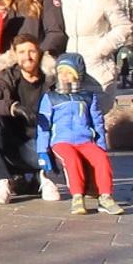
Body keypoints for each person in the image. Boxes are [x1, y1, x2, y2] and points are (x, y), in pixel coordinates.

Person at [0, 34, 58, 205]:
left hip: (42, 143)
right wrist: (12, 107)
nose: (27, 57)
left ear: (40, 53)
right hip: (12, 144)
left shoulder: (51, 78)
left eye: (32, 51)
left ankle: (45, 176)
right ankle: (2, 181)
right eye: (21, 52)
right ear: (14, 54)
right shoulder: (6, 77)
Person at [37, 53, 125, 215]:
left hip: (85, 140)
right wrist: (42, 151)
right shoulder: (51, 98)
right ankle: (77, 196)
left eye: (69, 72)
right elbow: (43, 125)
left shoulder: (88, 97)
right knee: (71, 160)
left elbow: (97, 122)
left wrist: (100, 145)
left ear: (78, 75)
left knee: (101, 158)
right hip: (62, 141)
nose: (64, 76)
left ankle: (105, 196)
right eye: (61, 72)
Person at [58, 0, 132, 114]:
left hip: (98, 69)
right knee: (73, 120)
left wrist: (101, 49)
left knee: (98, 118)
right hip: (68, 70)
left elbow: (123, 26)